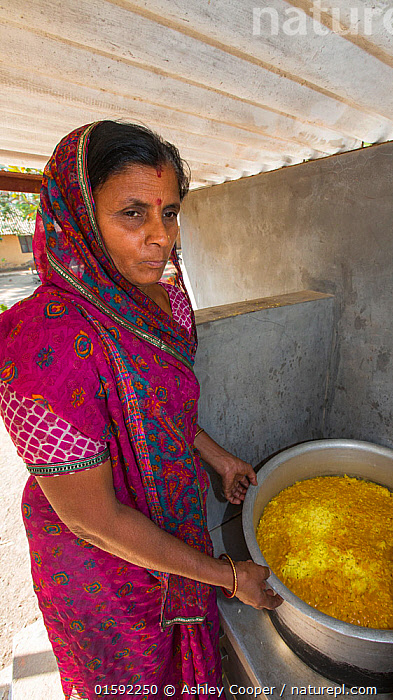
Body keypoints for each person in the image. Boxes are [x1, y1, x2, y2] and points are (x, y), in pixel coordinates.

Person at [0, 121, 282, 700]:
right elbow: (90, 520)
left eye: (171, 213)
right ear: (78, 214)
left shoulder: (167, 295)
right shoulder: (45, 340)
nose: (163, 238)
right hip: (100, 565)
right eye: (134, 214)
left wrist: (218, 456)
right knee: (133, 676)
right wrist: (230, 577)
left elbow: (157, 405)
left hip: (170, 517)